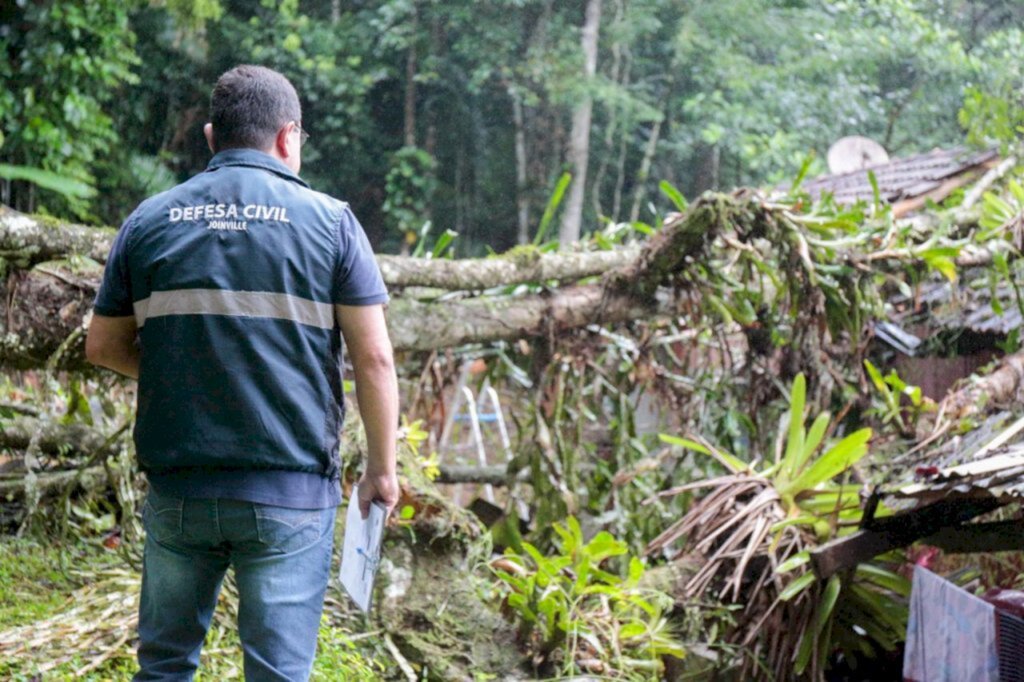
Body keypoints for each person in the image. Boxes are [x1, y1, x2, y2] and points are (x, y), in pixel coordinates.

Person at [85, 64, 400, 681]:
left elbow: (102, 345)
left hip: (180, 489)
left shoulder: (149, 220)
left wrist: (179, 369)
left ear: (211, 136)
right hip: (289, 493)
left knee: (165, 666)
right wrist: (382, 471)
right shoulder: (332, 222)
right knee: (279, 672)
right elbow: (375, 358)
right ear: (289, 137)